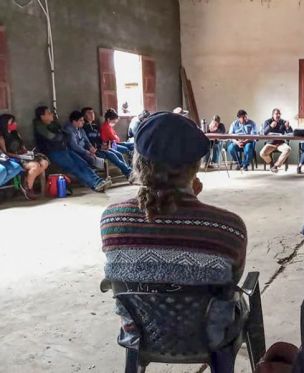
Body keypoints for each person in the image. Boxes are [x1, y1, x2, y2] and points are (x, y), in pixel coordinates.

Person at [101, 113, 248, 358]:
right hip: (209, 337)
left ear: (139, 162)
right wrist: (191, 200)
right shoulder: (228, 226)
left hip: (140, 333)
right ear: (195, 166)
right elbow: (232, 279)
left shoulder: (111, 219)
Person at [33, 106, 111, 192]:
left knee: (82, 163)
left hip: (64, 149)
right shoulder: (40, 127)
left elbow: (64, 136)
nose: (51, 114)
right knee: (74, 167)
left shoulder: (53, 124)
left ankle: (98, 181)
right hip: (53, 152)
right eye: (48, 113)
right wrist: (62, 136)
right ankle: (95, 183)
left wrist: (62, 136)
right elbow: (55, 138)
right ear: (42, 116)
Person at [0, 114, 46, 199]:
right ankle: (28, 188)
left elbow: (23, 147)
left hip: (23, 156)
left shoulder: (16, 133)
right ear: (4, 124)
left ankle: (28, 180)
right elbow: (5, 154)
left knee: (44, 162)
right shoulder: (2, 138)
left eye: (14, 122)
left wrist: (27, 153)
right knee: (35, 166)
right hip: (14, 158)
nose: (14, 124)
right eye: (11, 123)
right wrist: (19, 156)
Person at [82, 107, 132, 179]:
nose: (92, 114)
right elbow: (87, 142)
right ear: (84, 116)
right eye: (89, 113)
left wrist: (104, 144)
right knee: (112, 155)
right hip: (94, 150)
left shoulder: (95, 126)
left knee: (119, 154)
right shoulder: (84, 128)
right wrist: (99, 147)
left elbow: (100, 139)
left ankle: (127, 172)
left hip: (102, 147)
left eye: (92, 112)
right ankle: (129, 172)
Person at [260, 108, 293, 173]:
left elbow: (291, 133)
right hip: (271, 143)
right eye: (276, 114)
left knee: (288, 149)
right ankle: (271, 164)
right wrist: (270, 126)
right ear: (272, 115)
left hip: (281, 143)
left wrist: (288, 127)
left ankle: (275, 166)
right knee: (262, 153)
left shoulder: (283, 122)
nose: (278, 115)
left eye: (279, 114)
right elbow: (264, 133)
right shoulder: (267, 121)